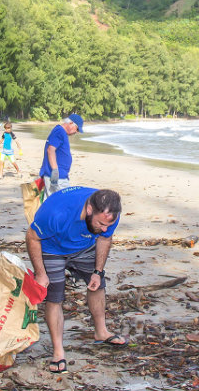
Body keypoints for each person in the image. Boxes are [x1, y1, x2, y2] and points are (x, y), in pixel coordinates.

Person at [26, 187, 125, 374]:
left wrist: (98, 271)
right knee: (55, 297)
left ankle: (101, 332)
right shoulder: (57, 213)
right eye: (100, 223)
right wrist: (40, 273)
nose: (104, 228)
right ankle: (58, 351)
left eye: (108, 224)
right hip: (52, 247)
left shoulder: (110, 215)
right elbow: (32, 237)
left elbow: (105, 238)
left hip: (84, 246)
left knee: (98, 284)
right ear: (89, 210)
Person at [39, 114, 83, 196]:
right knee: (63, 201)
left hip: (59, 175)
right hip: (57, 177)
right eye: (77, 129)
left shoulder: (61, 132)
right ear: (70, 123)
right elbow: (50, 150)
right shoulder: (59, 131)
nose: (76, 132)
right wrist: (55, 172)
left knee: (52, 202)